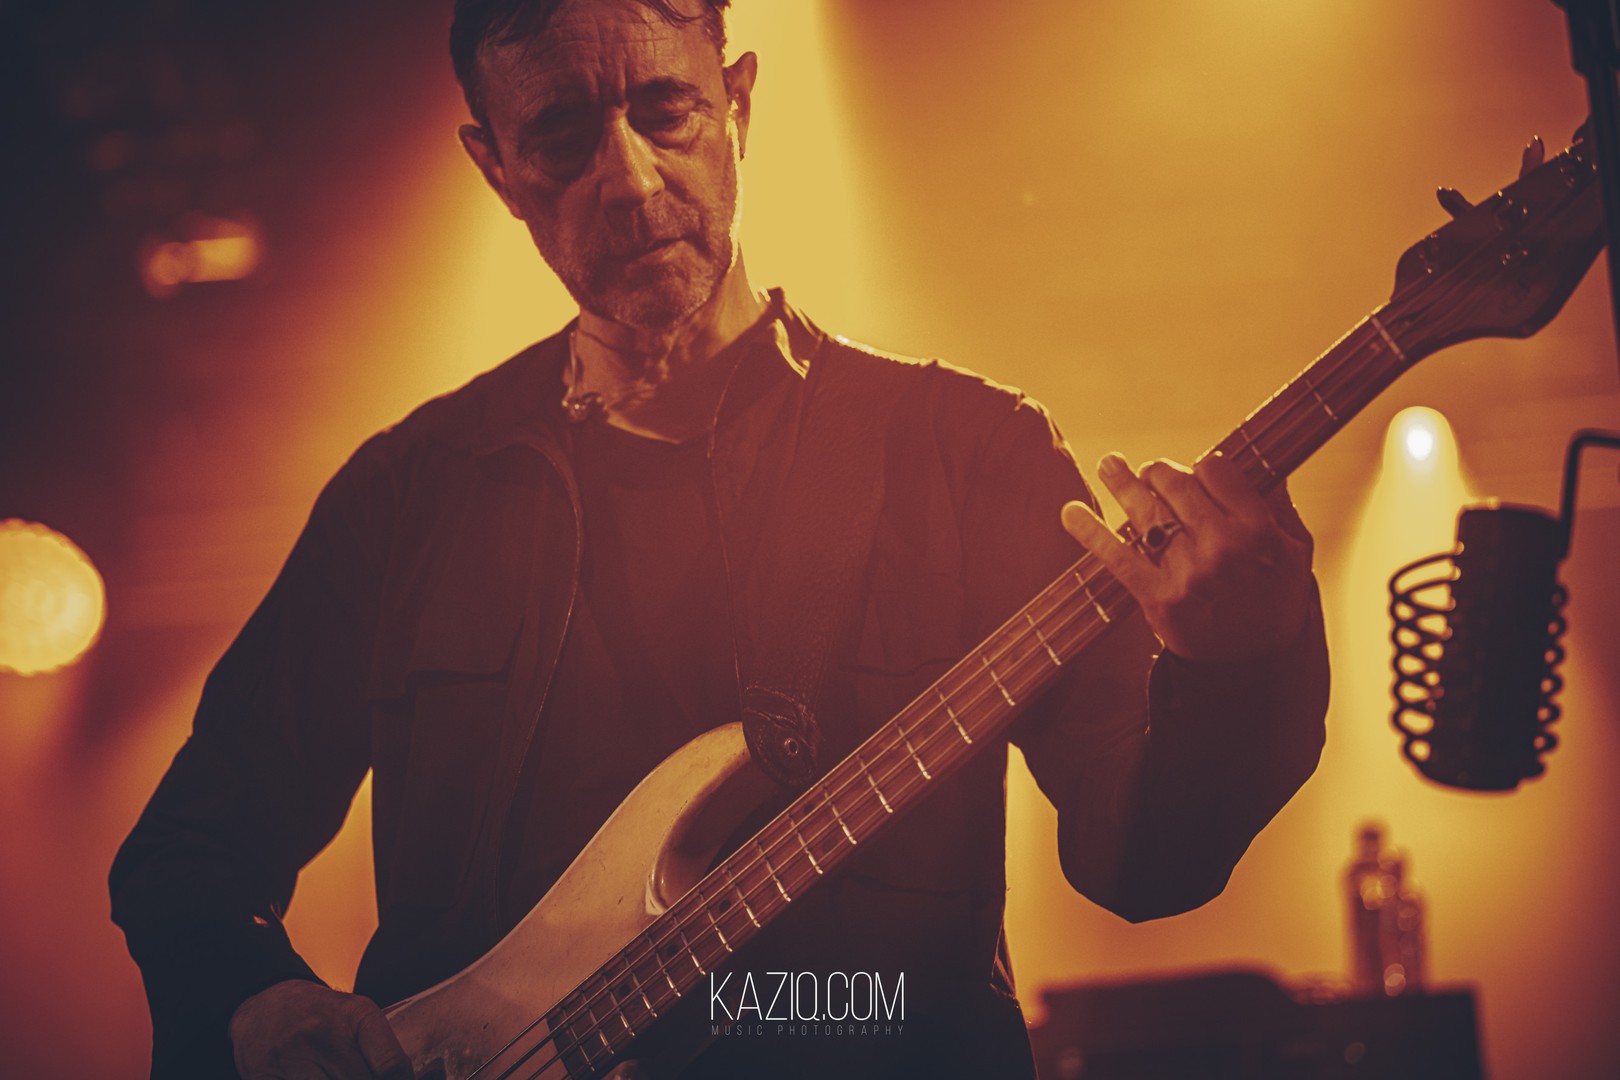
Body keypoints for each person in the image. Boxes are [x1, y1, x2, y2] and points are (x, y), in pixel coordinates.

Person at [110, 1, 1329, 1077]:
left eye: (666, 110)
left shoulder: (970, 452)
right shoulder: (407, 497)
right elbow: (190, 853)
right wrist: (252, 996)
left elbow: (1144, 865)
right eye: (563, 136)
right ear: (496, 167)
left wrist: (1241, 665)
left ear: (738, 101)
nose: (632, 179)